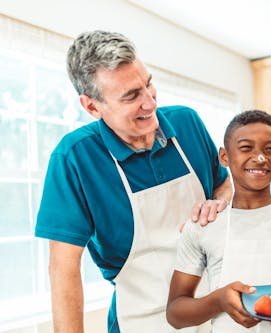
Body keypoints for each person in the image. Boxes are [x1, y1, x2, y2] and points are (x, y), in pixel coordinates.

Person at [35, 30, 232, 333]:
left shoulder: (187, 123)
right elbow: (63, 267)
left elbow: (224, 184)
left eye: (148, 84)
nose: (149, 102)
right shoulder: (75, 158)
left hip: (218, 309)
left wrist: (219, 205)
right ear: (92, 106)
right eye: (131, 96)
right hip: (143, 320)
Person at [166, 110, 271, 332]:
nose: (260, 158)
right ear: (224, 156)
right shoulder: (204, 226)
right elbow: (175, 313)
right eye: (246, 148)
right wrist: (218, 301)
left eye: (270, 150)